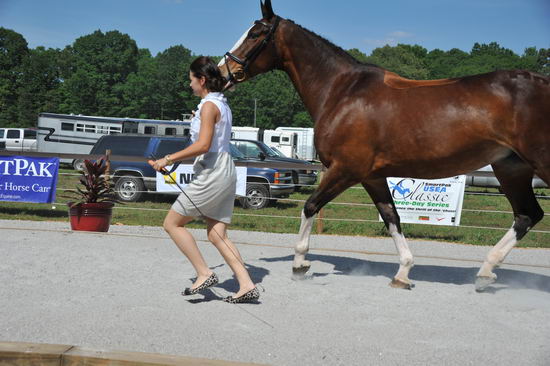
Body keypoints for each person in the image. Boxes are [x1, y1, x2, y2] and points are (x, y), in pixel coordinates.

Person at [149, 56, 259, 304]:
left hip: (213, 170)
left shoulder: (209, 106)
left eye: (191, 80)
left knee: (172, 224)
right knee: (217, 234)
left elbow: (203, 144)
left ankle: (204, 272)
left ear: (202, 80)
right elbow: (210, 140)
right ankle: (246, 284)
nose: (189, 85)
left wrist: (168, 159)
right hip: (225, 168)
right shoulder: (219, 103)